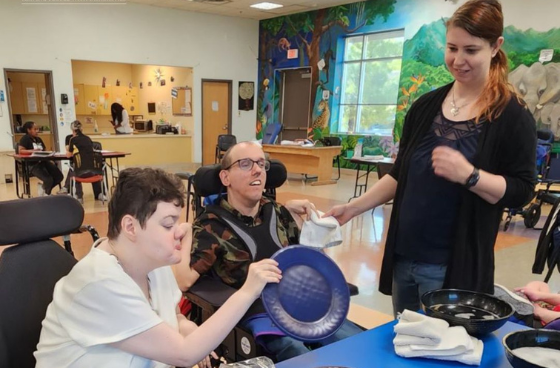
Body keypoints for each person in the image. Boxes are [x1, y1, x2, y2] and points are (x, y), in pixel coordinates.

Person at [325, 0, 536, 317]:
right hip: (404, 258)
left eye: (471, 50)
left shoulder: (512, 115)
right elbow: (400, 174)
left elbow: (522, 190)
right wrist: (352, 209)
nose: (458, 60)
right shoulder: (425, 106)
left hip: (454, 265)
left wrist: (470, 175)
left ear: (495, 47)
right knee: (406, 344)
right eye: (452, 48)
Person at [34, 167, 282, 368]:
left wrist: (186, 327)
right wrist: (248, 292)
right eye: (167, 224)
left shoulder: (151, 261)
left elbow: (173, 315)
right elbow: (184, 354)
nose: (181, 231)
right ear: (130, 227)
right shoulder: (99, 282)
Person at [173, 142, 362, 362]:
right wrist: (187, 232)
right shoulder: (211, 225)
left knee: (352, 342)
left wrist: (314, 227)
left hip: (296, 302)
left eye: (261, 164)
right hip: (255, 311)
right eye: (245, 164)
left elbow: (307, 260)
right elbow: (184, 282)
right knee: (300, 354)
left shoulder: (279, 212)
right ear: (226, 178)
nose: (257, 170)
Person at [58, 120, 106, 203]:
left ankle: (79, 196)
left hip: (80, 173)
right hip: (93, 171)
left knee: (74, 169)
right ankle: (99, 194)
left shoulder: (73, 139)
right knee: (89, 168)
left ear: (73, 130)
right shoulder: (88, 138)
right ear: (82, 129)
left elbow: (69, 155)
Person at [18, 121, 64, 196]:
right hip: (33, 164)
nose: (37, 131)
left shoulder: (38, 139)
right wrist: (33, 151)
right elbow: (21, 151)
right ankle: (46, 195)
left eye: (37, 129)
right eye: (35, 129)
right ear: (28, 130)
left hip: (43, 162)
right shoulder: (25, 139)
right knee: (48, 180)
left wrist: (50, 154)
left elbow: (44, 150)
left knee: (59, 177)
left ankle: (43, 188)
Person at [495, 282, 560, 328]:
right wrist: (539, 295)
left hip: (544, 324)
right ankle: (522, 299)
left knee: (517, 311)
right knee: (540, 285)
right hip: (549, 309)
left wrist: (539, 311)